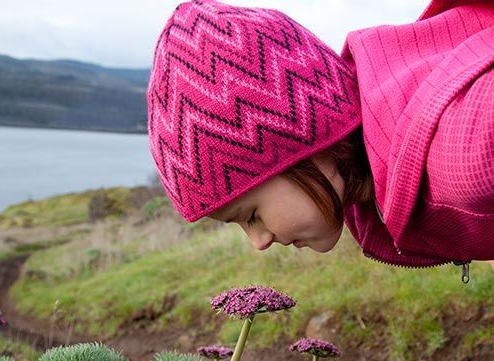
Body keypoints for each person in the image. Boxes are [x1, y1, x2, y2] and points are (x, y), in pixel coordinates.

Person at [146, 0, 494, 281]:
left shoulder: (462, 152)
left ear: (299, 144)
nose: (259, 242)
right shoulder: (389, 160)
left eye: (251, 215)